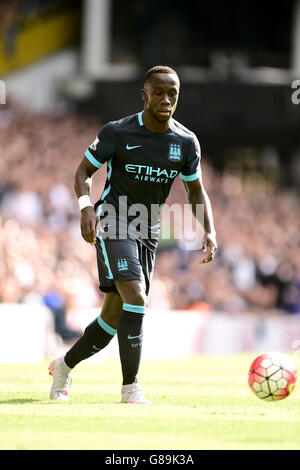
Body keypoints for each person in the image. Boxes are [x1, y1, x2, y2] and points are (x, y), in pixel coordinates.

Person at [48, 65, 218, 404]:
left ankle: (63, 366)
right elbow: (84, 171)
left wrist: (209, 230)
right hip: (112, 219)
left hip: (148, 229)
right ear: (144, 95)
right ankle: (131, 389)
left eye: (173, 94)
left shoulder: (185, 142)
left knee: (113, 318)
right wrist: (85, 207)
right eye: (159, 92)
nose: (166, 99)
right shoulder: (118, 132)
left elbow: (196, 191)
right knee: (137, 297)